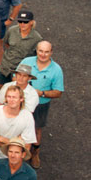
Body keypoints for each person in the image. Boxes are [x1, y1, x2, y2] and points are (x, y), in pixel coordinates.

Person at [23, 40, 64, 169]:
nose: (43, 54)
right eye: (41, 51)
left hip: (41, 104)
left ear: (51, 52)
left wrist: (42, 93)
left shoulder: (56, 70)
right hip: (22, 101)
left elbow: (58, 92)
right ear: (36, 50)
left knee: (36, 129)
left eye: (46, 52)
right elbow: (15, 77)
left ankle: (35, 153)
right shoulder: (27, 62)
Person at [0, 10, 42, 84]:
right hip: (5, 68)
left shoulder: (37, 38)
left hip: (20, 73)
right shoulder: (11, 30)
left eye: (25, 22)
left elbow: (37, 57)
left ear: (31, 22)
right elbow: (7, 44)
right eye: (20, 21)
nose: (22, 24)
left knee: (16, 94)